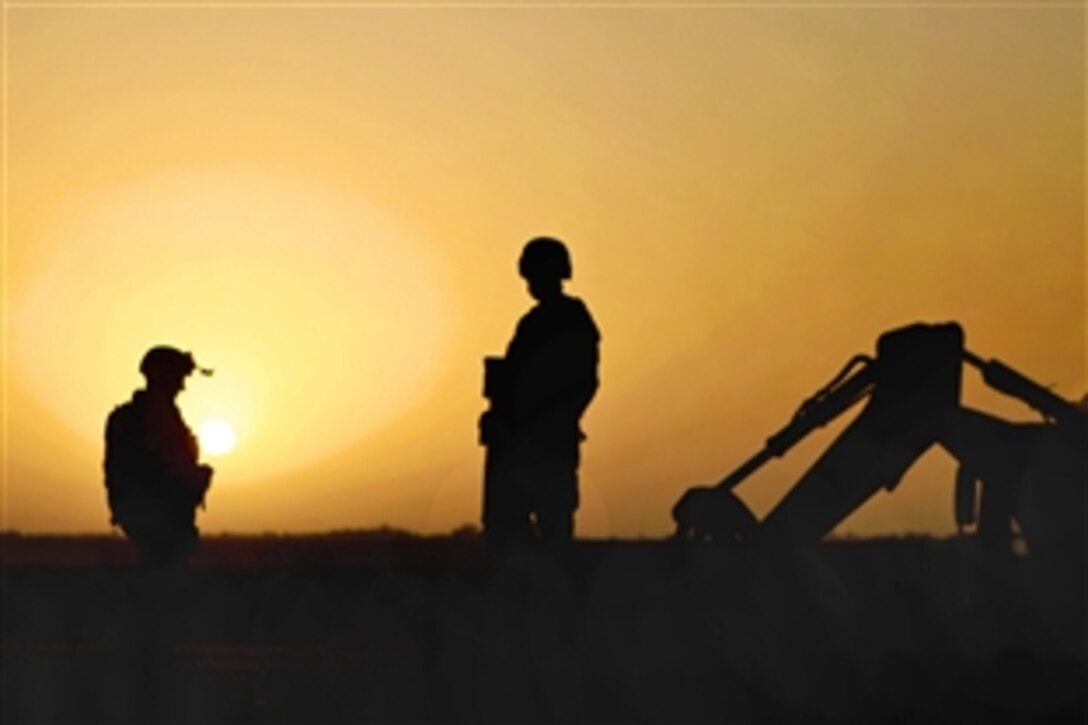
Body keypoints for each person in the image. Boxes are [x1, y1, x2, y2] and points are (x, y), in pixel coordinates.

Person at [480, 237, 600, 545]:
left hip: (546, 442)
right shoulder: (535, 322)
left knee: (552, 529)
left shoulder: (568, 320)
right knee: (510, 529)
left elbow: (582, 383)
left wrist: (550, 422)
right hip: (520, 441)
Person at [104, 346, 214, 566]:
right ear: (162, 376)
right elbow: (163, 467)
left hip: (147, 512)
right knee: (164, 572)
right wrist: (193, 479)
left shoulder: (136, 416)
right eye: (177, 378)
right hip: (158, 513)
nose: (182, 386)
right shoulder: (152, 418)